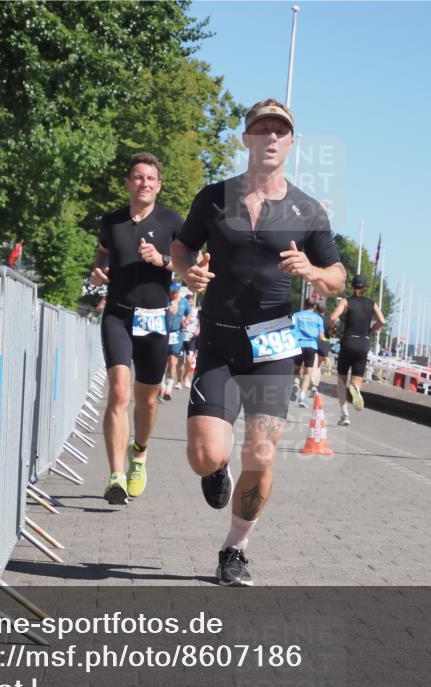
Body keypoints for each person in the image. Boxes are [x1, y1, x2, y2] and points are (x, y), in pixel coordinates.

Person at [171, 99, 346, 586]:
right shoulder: (214, 197)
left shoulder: (306, 210)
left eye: (280, 131)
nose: (270, 138)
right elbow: (182, 246)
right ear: (246, 138)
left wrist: (310, 271)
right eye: (261, 129)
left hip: (272, 347)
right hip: (219, 344)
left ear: (292, 144)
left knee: (262, 454)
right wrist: (189, 272)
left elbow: (336, 276)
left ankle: (235, 549)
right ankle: (215, 470)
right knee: (204, 455)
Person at [89, 152, 183, 505]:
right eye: (137, 177)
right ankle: (115, 475)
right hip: (118, 314)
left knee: (147, 400)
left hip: (155, 319)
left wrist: (162, 261)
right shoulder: (111, 222)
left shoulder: (173, 221)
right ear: (128, 183)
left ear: (159, 186)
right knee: (119, 392)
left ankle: (139, 454)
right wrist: (97, 271)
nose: (144, 183)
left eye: (150, 178)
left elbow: (192, 265)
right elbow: (100, 255)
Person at [329, 274, 385, 426]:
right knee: (357, 377)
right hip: (364, 343)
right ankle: (356, 389)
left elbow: (333, 317)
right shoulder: (372, 304)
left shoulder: (346, 302)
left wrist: (333, 330)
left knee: (341, 380)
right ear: (365, 288)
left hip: (348, 341)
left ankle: (344, 414)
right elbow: (382, 321)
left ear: (352, 287)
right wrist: (371, 331)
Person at [290, 299, 325, 407]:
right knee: (307, 373)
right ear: (314, 306)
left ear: (304, 305)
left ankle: (295, 384)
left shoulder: (296, 315)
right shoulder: (318, 318)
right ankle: (302, 397)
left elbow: (291, 330)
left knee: (296, 369)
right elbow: (321, 336)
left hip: (298, 344)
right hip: (310, 346)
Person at [160, 281, 190, 401]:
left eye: (175, 292)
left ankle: (168, 389)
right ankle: (161, 385)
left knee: (172, 361)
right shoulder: (165, 300)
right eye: (172, 292)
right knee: (162, 361)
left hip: (177, 335)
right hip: (164, 333)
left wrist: (186, 320)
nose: (174, 294)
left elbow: (189, 313)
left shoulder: (184, 302)